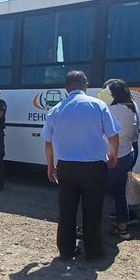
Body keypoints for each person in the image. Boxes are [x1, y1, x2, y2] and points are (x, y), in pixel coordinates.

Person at [42, 71, 121, 261]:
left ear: (66, 88)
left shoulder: (56, 109)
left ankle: (66, 250)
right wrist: (113, 155)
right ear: (85, 85)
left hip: (66, 167)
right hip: (93, 167)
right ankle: (93, 252)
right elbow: (113, 136)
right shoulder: (98, 105)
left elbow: (48, 142)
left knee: (67, 210)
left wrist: (50, 166)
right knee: (93, 209)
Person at [98, 79, 140, 239]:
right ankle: (122, 228)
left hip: (112, 157)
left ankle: (90, 228)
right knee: (119, 192)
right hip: (127, 155)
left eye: (105, 92)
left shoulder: (111, 110)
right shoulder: (132, 107)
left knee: (96, 193)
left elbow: (101, 133)